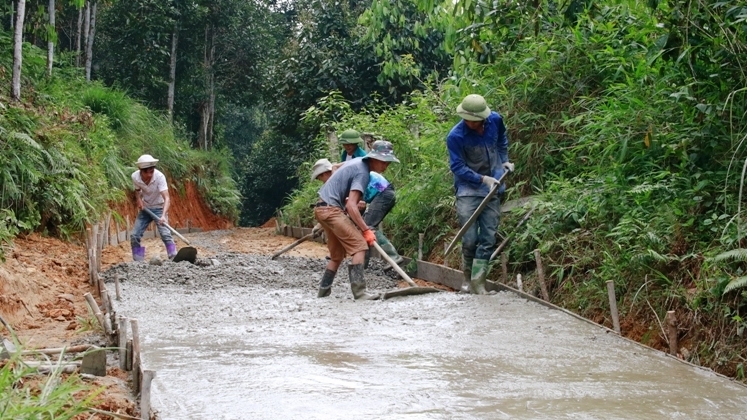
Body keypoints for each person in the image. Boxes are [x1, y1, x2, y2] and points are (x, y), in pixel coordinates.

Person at [313, 141, 400, 300]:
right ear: (374, 158)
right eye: (384, 161)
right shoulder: (363, 172)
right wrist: (366, 230)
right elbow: (352, 205)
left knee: (336, 256)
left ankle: (323, 292)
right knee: (360, 246)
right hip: (331, 210)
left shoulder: (356, 162)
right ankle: (360, 293)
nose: (386, 166)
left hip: (321, 208)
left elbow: (349, 204)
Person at [447, 94, 514, 294]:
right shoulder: (456, 136)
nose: (469, 123)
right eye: (466, 119)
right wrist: (481, 179)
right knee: (469, 239)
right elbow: (457, 166)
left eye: (473, 121)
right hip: (469, 190)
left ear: (483, 117)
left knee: (488, 236)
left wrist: (504, 161)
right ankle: (467, 279)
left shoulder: (495, 120)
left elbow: (502, 140)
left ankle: (479, 282)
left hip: (494, 186)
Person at [310, 157, 404, 265]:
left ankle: (393, 256)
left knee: (367, 226)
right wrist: (321, 225)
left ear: (325, 173)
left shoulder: (343, 174)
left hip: (383, 192)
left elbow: (350, 204)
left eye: (320, 178)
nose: (321, 181)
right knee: (359, 225)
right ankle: (362, 262)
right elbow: (337, 209)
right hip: (379, 193)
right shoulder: (342, 173)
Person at [130, 154, 177, 261]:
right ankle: (138, 261)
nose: (151, 174)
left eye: (152, 171)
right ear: (141, 170)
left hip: (159, 208)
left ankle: (174, 256)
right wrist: (139, 200)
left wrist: (163, 215)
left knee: (166, 234)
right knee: (135, 235)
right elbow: (137, 191)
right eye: (148, 172)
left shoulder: (159, 177)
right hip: (146, 208)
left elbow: (167, 198)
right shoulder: (135, 177)